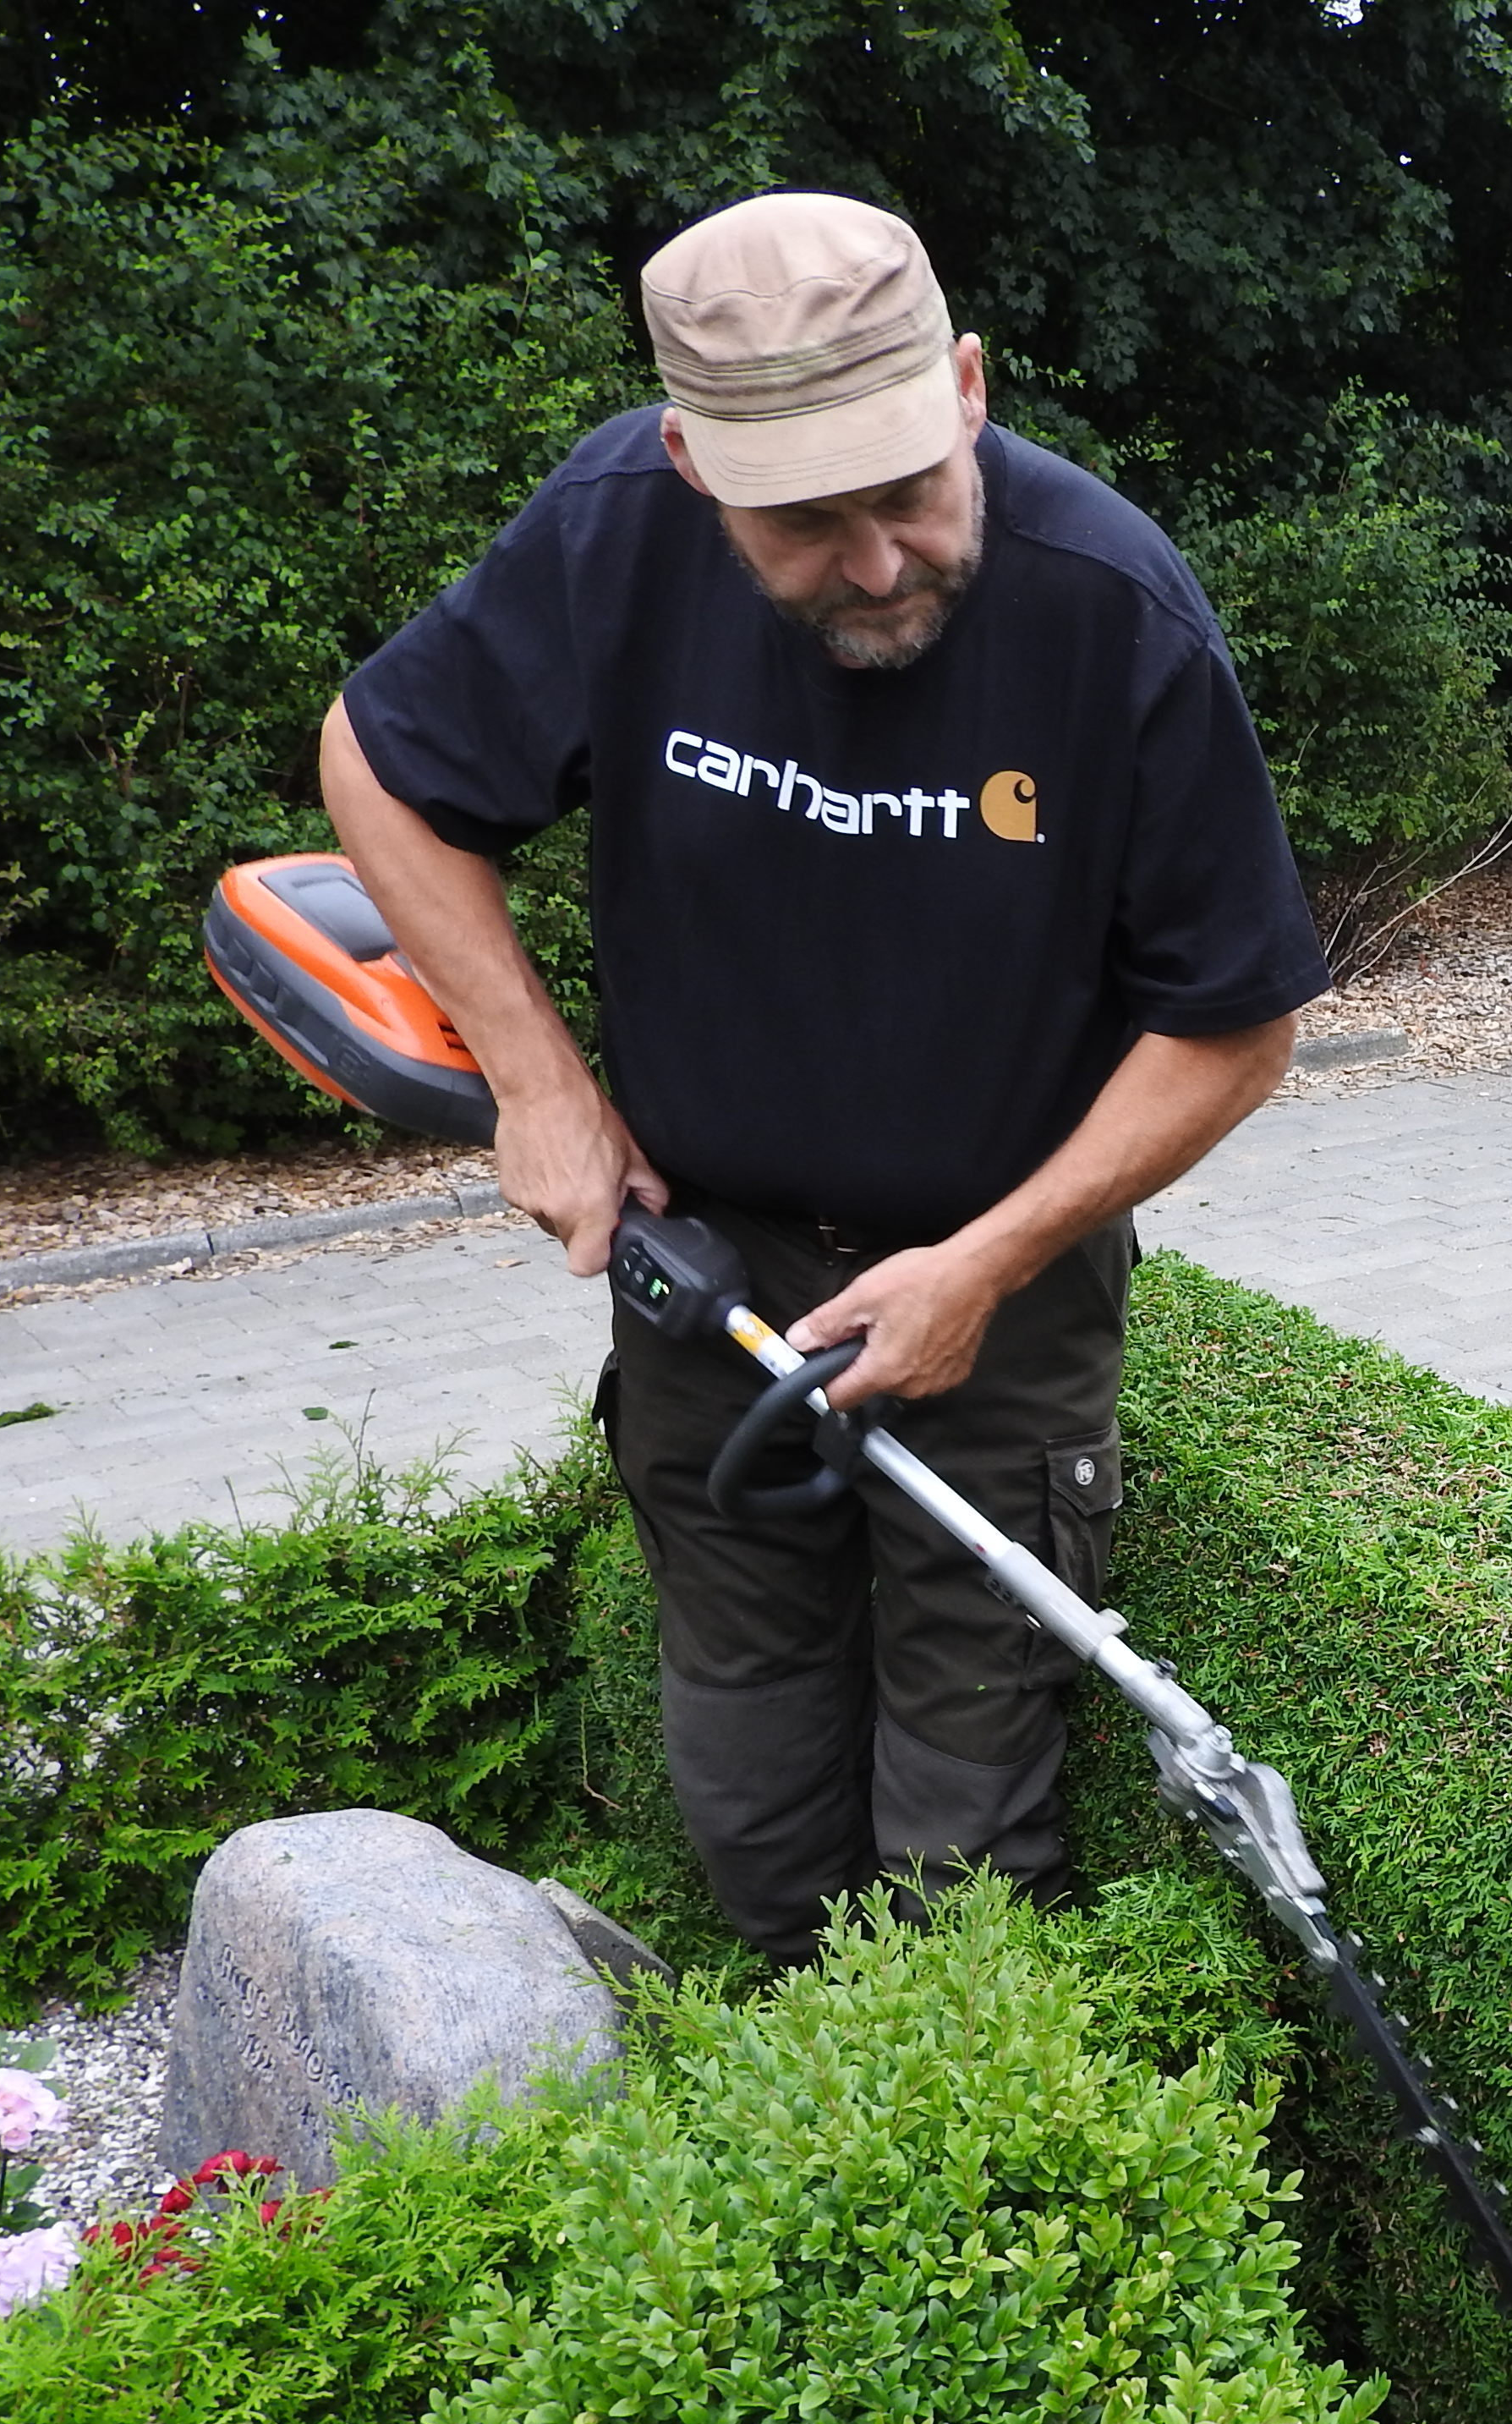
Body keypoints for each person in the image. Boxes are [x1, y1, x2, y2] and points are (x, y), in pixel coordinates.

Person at [321, 190, 1327, 1956]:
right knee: (751, 1775)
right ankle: (801, 2085)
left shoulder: (1113, 612)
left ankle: (959, 2159)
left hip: (990, 1286)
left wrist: (985, 1265)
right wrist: (537, 1082)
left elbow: (1234, 1025)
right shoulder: (614, 533)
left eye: (911, 493)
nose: (874, 562)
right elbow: (380, 764)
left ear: (969, 387)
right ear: (696, 462)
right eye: (805, 523)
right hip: (706, 1275)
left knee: (966, 1828)